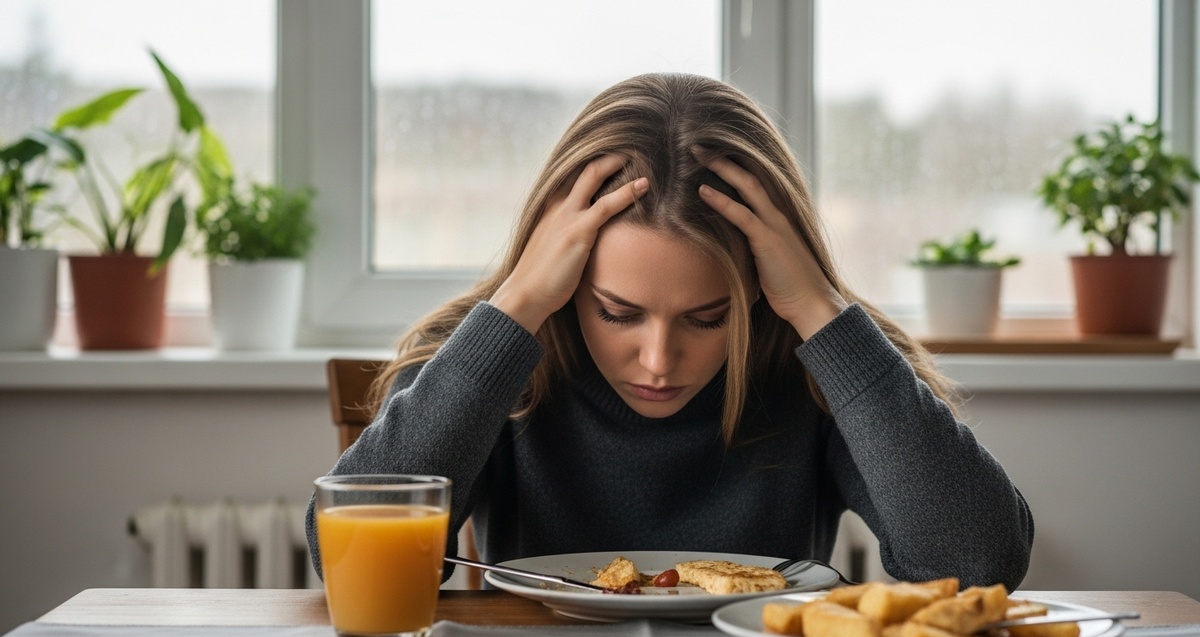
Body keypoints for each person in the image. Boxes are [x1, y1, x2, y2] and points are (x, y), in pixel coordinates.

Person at [306, 73, 1033, 590]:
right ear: (563, 279)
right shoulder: (493, 348)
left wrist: (821, 311)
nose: (658, 361)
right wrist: (515, 305)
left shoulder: (822, 355)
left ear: (761, 287)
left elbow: (979, 563)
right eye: (618, 312)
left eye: (709, 317)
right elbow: (348, 562)